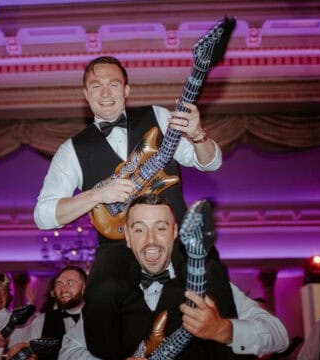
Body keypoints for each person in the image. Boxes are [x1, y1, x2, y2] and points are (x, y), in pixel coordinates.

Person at [34, 55, 236, 359]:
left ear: (127, 90)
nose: (105, 93)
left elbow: (210, 161)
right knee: (100, 293)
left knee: (211, 274)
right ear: (85, 95)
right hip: (116, 246)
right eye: (96, 86)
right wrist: (97, 194)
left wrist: (197, 135)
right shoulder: (71, 150)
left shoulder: (158, 116)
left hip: (177, 236)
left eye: (113, 84)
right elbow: (43, 214)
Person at [58, 195, 289, 359]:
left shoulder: (209, 286)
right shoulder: (110, 294)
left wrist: (223, 329)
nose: (150, 239)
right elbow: (69, 349)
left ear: (175, 232)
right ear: (127, 237)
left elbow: (278, 335)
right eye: (139, 229)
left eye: (160, 228)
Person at [20, 265, 86, 360]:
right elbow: (30, 353)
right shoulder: (41, 321)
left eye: (70, 283)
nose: (63, 289)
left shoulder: (101, 318)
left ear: (84, 287)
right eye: (59, 284)